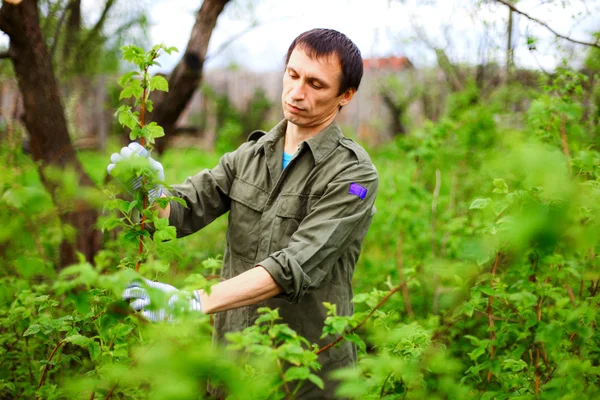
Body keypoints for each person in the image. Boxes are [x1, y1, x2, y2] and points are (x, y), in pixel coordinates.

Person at [109, 28, 378, 399]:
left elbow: (294, 266)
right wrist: (147, 192)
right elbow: (179, 214)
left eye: (316, 84)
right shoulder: (250, 155)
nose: (298, 93)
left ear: (345, 95)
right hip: (232, 370)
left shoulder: (353, 174)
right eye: (293, 75)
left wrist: (192, 302)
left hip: (304, 375)